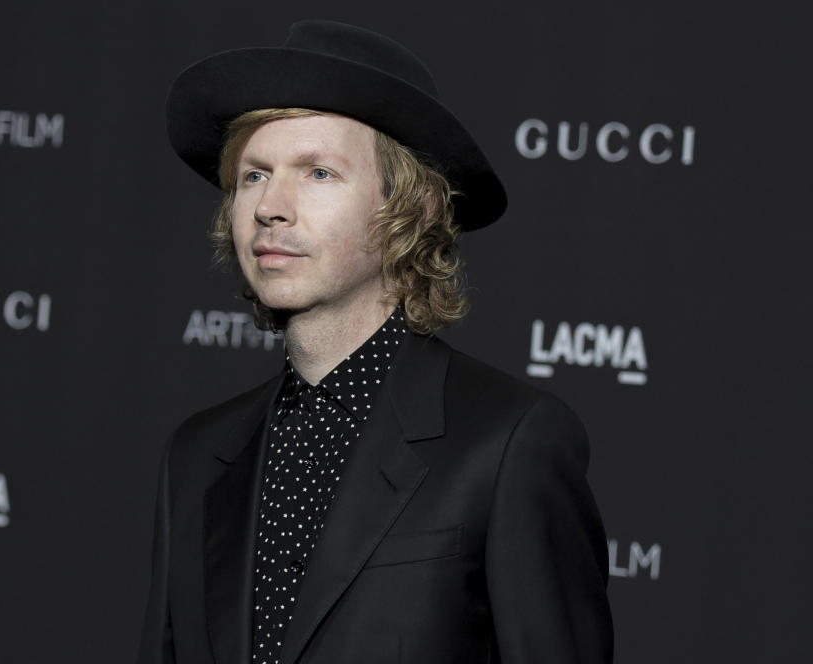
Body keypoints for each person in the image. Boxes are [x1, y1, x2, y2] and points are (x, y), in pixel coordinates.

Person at [138, 19, 613, 664]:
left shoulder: (509, 444)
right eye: (253, 175)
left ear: (406, 211)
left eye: (319, 173)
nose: (270, 206)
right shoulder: (195, 456)